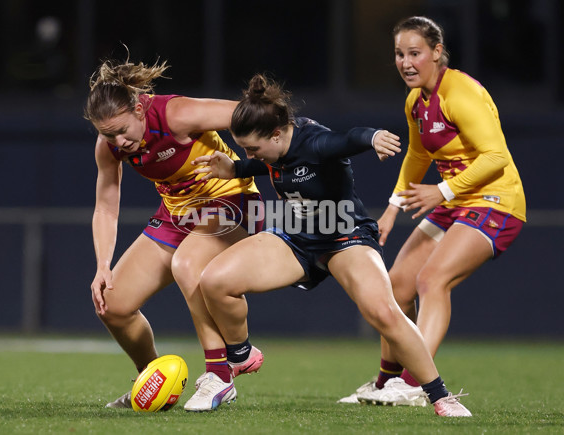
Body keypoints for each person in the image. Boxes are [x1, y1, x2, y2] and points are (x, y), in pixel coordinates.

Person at [192, 73, 472, 417]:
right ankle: (240, 355)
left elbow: (345, 139)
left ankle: (441, 396)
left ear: (277, 133)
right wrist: (235, 168)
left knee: (383, 312)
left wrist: (373, 137)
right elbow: (270, 162)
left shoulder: (313, 141)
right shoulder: (273, 148)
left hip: (344, 235)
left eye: (252, 147)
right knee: (214, 280)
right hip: (297, 237)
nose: (250, 154)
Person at [338, 16, 526, 406]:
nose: (405, 62)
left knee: (432, 280)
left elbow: (496, 156)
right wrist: (391, 208)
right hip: (455, 200)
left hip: (495, 200)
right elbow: (418, 154)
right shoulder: (415, 100)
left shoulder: (460, 93)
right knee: (397, 285)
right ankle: (384, 383)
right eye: (399, 54)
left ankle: (413, 382)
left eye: (415, 53)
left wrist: (442, 190)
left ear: (437, 53)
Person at [84, 55, 266, 412]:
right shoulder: (109, 147)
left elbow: (254, 114)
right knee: (113, 305)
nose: (119, 141)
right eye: (108, 134)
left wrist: (252, 161)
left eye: (122, 129)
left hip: (233, 201)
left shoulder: (176, 114)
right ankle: (152, 384)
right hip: (178, 215)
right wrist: (102, 265)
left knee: (187, 262)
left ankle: (220, 375)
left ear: (138, 109)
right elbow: (105, 207)